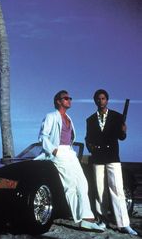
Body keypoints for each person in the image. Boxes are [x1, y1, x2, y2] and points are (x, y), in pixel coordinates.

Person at [37, 90, 104, 232]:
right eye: (66, 98)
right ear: (58, 101)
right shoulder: (51, 116)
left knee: (83, 183)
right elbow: (43, 136)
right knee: (71, 186)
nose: (69, 100)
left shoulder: (68, 118)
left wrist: (68, 151)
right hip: (59, 152)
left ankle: (87, 217)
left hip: (70, 152)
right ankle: (83, 219)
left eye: (70, 98)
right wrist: (54, 150)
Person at [85, 89, 138, 235]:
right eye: (98, 99)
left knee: (117, 190)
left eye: (103, 98)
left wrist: (124, 131)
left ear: (107, 100)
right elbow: (88, 138)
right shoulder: (89, 120)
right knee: (100, 190)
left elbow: (121, 137)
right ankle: (102, 220)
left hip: (113, 157)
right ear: (95, 101)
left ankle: (124, 224)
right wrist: (91, 147)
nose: (100, 101)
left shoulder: (116, 116)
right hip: (97, 158)